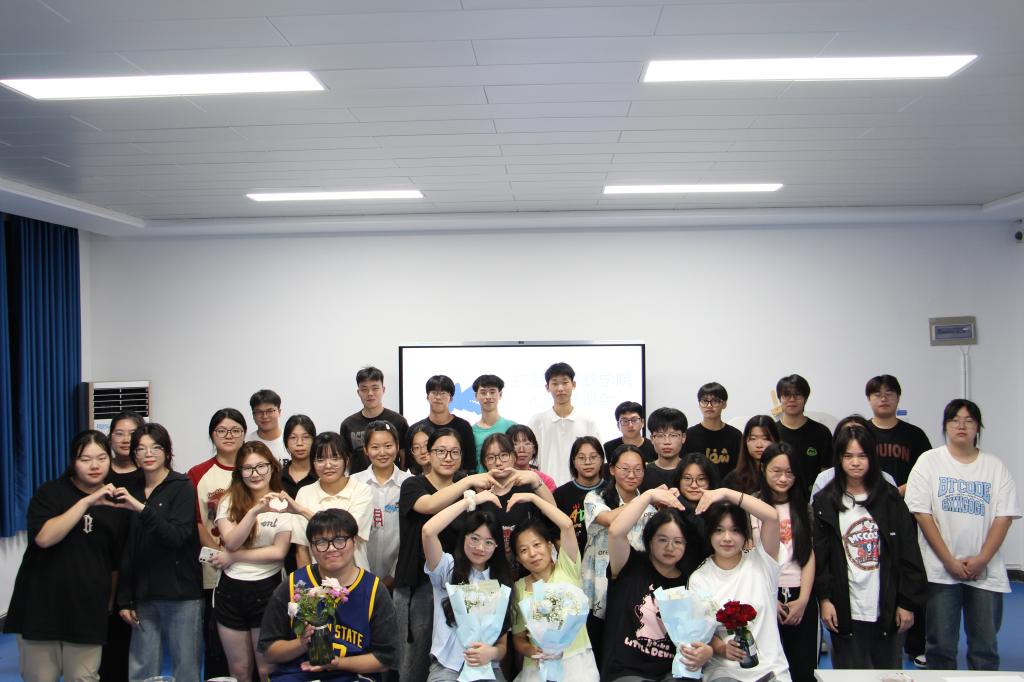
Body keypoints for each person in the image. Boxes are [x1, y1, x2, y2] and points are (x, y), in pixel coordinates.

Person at [905, 399, 1020, 671]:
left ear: (978, 427)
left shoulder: (994, 466)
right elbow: (922, 514)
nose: (961, 425)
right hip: (940, 571)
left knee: (985, 648)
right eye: (955, 420)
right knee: (940, 648)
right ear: (945, 426)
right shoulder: (929, 461)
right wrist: (948, 560)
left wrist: (982, 559)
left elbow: (1004, 517)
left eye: (969, 420)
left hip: (985, 572)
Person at [5, 430, 128, 682]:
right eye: (85, 459)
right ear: (73, 461)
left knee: (83, 677)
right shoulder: (50, 493)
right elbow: (44, 538)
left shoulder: (118, 502)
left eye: (101, 458)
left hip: (87, 609)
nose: (94, 465)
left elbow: (115, 562)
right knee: (41, 677)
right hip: (40, 607)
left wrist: (107, 604)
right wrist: (86, 502)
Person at [813, 424, 926, 669]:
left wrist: (907, 603)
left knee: (888, 673)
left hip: (887, 607)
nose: (855, 463)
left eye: (862, 456)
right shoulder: (825, 502)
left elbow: (909, 553)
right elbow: (822, 559)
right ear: (838, 459)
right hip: (845, 608)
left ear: (872, 458)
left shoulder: (890, 499)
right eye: (848, 456)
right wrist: (825, 599)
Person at [393, 428, 498, 682]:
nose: (448, 457)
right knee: (413, 663)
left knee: (454, 661)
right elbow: (430, 505)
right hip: (418, 587)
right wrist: (468, 484)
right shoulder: (413, 485)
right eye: (441, 451)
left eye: (454, 452)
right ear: (428, 454)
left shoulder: (470, 493)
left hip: (458, 587)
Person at [259, 509, 399, 680]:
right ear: (311, 548)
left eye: (340, 540)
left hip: (352, 675)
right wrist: (301, 644)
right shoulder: (295, 584)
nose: (331, 548)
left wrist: (337, 663)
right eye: (321, 542)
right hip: (299, 674)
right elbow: (269, 652)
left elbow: (386, 659)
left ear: (354, 542)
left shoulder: (374, 589)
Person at [112, 423, 204, 682]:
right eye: (141, 449)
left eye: (155, 447)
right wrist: (125, 598)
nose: (148, 454)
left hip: (182, 593)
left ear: (167, 451)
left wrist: (141, 509)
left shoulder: (182, 485)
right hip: (143, 594)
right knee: (142, 669)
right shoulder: (132, 488)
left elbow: (177, 537)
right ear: (134, 455)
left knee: (186, 668)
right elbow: (127, 547)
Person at [602, 487, 712, 680]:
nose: (670, 547)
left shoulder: (690, 582)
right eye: (662, 540)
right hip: (625, 673)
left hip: (671, 673)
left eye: (678, 542)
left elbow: (696, 634)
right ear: (649, 539)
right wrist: (648, 496)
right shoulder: (630, 565)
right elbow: (615, 531)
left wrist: (707, 651)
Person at [688, 487, 791, 682]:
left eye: (735, 530)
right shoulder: (699, 578)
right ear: (709, 534)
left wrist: (727, 493)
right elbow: (702, 630)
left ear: (745, 534)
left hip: (770, 671)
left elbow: (771, 517)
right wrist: (722, 649)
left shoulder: (762, 562)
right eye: (719, 530)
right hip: (725, 673)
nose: (727, 538)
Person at [213, 441, 293, 682]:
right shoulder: (228, 500)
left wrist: (233, 557)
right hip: (230, 589)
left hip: (268, 588)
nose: (255, 473)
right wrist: (254, 511)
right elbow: (231, 541)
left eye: (261, 466)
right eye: (248, 468)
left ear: (272, 467)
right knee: (239, 670)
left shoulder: (283, 503)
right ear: (239, 472)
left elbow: (278, 552)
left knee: (267, 669)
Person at [422, 489, 513, 681]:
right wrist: (470, 501)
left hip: (487, 668)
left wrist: (492, 653)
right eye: (474, 539)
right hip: (448, 667)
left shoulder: (500, 581)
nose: (480, 548)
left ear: (497, 546)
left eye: (489, 542)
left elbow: (502, 646)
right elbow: (428, 531)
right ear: (464, 537)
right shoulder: (447, 568)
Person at [511, 492, 600, 681]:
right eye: (524, 550)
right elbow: (518, 638)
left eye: (537, 544)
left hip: (577, 663)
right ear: (518, 559)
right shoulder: (519, 588)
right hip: (537, 667)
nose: (533, 553)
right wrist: (532, 651)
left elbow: (566, 524)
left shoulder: (567, 568)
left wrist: (534, 498)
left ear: (549, 546)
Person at [581, 444, 655, 667]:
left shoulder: (652, 506)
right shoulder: (595, 497)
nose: (632, 475)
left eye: (638, 470)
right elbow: (609, 520)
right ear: (612, 469)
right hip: (598, 588)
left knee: (623, 651)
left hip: (634, 587)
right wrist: (645, 499)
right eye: (625, 469)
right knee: (596, 651)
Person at [188, 407, 247, 679]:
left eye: (235, 430)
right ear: (212, 434)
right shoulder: (198, 473)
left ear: (244, 434)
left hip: (255, 567)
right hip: (215, 567)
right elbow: (198, 521)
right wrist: (219, 554)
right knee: (217, 644)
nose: (229, 435)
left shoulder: (256, 469)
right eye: (221, 430)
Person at [758, 443, 816, 682]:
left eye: (790, 473)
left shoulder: (804, 508)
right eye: (776, 471)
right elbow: (749, 556)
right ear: (763, 469)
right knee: (766, 668)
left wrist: (803, 600)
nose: (783, 478)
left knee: (802, 668)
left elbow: (808, 555)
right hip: (763, 593)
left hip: (797, 593)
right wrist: (768, 597)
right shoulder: (754, 505)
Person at [101, 411, 146, 682]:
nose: (126, 439)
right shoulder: (99, 474)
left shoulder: (148, 475)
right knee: (106, 648)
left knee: (137, 648)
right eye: (119, 433)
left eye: (132, 433)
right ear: (110, 438)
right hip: (102, 568)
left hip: (137, 571)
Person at [291, 433, 374, 571]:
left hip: (355, 574)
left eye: (335, 458)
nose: (328, 465)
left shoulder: (361, 490)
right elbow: (302, 548)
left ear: (347, 460)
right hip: (318, 578)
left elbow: (345, 532)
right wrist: (307, 582)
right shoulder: (304, 493)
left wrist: (304, 512)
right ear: (312, 463)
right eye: (320, 459)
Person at [350, 420, 413, 589]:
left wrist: (393, 576)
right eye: (375, 447)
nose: (382, 452)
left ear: (397, 447)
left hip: (399, 577)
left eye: (388, 446)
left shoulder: (410, 484)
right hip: (357, 576)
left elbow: (411, 536)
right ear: (365, 450)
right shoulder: (354, 483)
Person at [476, 432, 556, 555]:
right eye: (491, 457)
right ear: (484, 462)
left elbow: (554, 514)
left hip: (529, 559)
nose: (498, 462)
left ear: (514, 457)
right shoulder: (480, 497)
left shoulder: (530, 488)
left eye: (504, 455)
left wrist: (536, 481)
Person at [528, 362, 599, 487]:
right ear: (547, 387)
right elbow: (530, 459)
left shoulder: (588, 421)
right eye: (555, 383)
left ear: (573, 384)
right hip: (545, 488)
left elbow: (597, 458)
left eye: (565, 382)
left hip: (579, 487)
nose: (560, 388)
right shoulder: (536, 421)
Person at [864, 375, 932, 492]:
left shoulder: (915, 435)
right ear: (869, 399)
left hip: (904, 499)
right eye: (877, 395)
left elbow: (927, 471)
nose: (883, 399)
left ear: (898, 397)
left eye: (889, 393)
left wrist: (897, 492)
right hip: (864, 499)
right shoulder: (860, 432)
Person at [340, 366, 410, 474]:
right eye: (364, 389)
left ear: (383, 389)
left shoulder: (399, 421)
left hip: (391, 482)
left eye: (375, 388)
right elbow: (347, 458)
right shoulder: (348, 424)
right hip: (358, 482)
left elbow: (404, 456)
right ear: (358, 392)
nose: (370, 393)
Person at [410, 374, 478, 473]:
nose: (438, 397)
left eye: (443, 393)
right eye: (434, 393)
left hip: (458, 480)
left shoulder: (463, 427)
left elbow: (470, 464)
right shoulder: (415, 429)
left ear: (451, 398)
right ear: (427, 397)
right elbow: (412, 466)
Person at [775, 374, 833, 487]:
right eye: (786, 395)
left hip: (814, 496)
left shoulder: (822, 432)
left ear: (805, 399)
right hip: (779, 494)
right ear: (780, 399)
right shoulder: (772, 432)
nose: (792, 399)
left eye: (797, 394)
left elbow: (828, 471)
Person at [553, 436, 606, 558]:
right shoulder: (561, 494)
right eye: (581, 458)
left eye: (593, 457)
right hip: (573, 562)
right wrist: (571, 561)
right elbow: (554, 533)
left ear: (602, 460)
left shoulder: (611, 491)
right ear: (574, 461)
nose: (587, 462)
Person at [685, 382, 743, 481]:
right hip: (697, 487)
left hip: (728, 488)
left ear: (724, 404)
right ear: (699, 404)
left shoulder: (735, 435)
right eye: (704, 401)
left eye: (715, 401)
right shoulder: (689, 435)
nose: (709, 405)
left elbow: (739, 468)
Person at [722, 415, 779, 495]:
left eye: (765, 439)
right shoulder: (733, 479)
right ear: (745, 442)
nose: (759, 445)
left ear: (776, 441)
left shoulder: (784, 476)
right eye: (753, 438)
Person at [472, 374, 516, 466]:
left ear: (500, 394)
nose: (488, 397)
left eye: (492, 392)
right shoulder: (471, 431)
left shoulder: (512, 426)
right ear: (476, 396)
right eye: (483, 393)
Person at [641, 407, 688, 490]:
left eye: (673, 435)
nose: (667, 442)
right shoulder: (642, 472)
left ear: (683, 437)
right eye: (660, 435)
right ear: (652, 439)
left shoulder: (692, 470)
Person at [507, 424, 557, 492]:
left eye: (527, 444)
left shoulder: (546, 481)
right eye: (515, 444)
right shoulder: (500, 478)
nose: (521, 449)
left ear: (534, 449)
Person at [248, 389, 288, 462]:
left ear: (279, 412)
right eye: (259, 412)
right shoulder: (246, 443)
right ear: (253, 415)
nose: (265, 416)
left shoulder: (290, 439)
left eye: (270, 411)